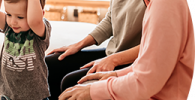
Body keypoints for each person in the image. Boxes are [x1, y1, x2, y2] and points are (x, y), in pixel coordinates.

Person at [59, 0, 195, 99]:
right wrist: (78, 45)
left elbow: (147, 80)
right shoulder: (156, 5)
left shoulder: (166, 5)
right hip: (136, 68)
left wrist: (93, 90)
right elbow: (150, 61)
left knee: (72, 84)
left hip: (164, 91)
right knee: (57, 64)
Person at [45, 0, 146, 99]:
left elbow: (154, 45)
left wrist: (113, 60)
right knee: (51, 63)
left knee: (70, 82)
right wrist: (78, 45)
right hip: (115, 51)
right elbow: (110, 19)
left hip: (137, 59)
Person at [0, 0, 51, 100]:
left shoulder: (37, 30)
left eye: (20, 17)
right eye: (8, 14)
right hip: (8, 94)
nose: (13, 22)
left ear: (41, 14)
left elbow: (34, 20)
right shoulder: (8, 27)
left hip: (35, 97)